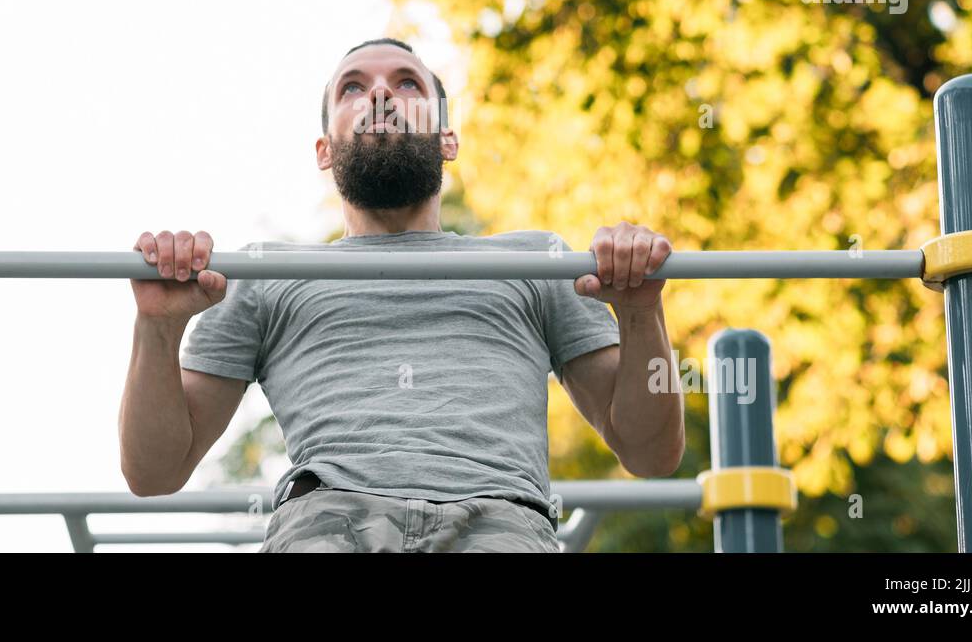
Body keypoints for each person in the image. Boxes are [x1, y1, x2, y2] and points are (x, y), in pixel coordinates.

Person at [117, 38, 684, 552]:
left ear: (447, 140)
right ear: (324, 149)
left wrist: (640, 311)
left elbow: (650, 453)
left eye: (407, 83)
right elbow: (155, 472)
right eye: (354, 88)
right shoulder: (266, 274)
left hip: (501, 520)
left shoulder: (537, 261)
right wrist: (157, 328)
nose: (382, 94)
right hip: (328, 519)